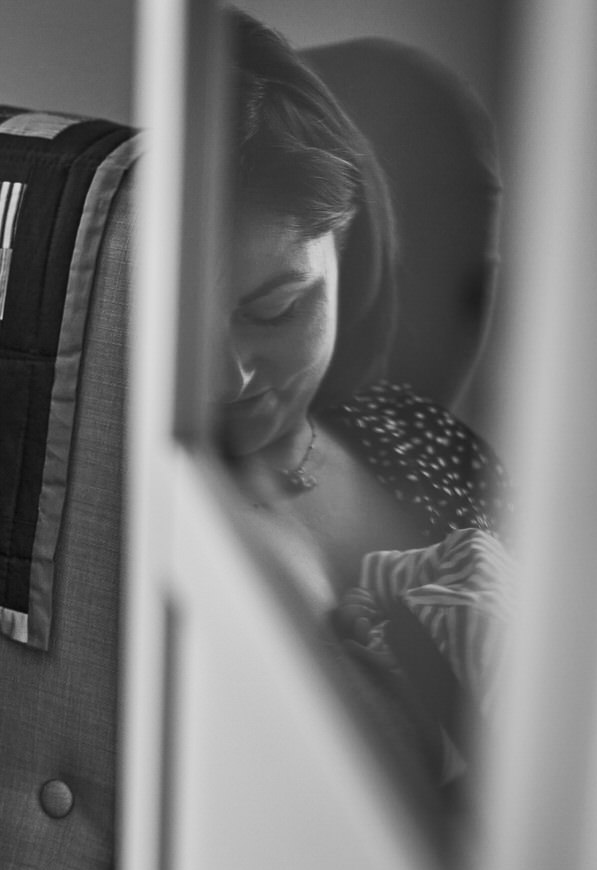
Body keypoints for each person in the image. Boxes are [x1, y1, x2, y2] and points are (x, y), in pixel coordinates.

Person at [217, 9, 508, 779]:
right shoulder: (138, 492)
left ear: (348, 247)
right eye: (189, 322)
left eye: (276, 309)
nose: (231, 374)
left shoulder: (424, 438)